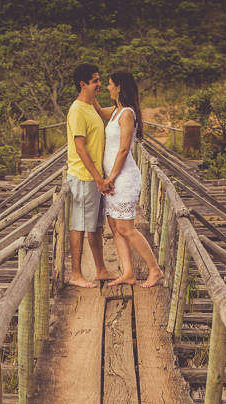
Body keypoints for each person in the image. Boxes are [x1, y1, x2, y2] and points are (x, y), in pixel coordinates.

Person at [91, 70, 164, 288]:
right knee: (114, 226)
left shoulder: (127, 114)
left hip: (123, 178)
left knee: (126, 228)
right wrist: (89, 89)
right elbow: (98, 110)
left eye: (109, 84)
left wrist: (111, 178)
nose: (107, 87)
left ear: (119, 87)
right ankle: (129, 273)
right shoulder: (116, 111)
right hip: (113, 177)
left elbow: (124, 150)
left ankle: (155, 270)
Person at [64, 63, 119, 288]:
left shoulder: (90, 106)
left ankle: (101, 269)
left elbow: (106, 110)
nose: (100, 84)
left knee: (95, 226)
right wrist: (98, 178)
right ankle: (76, 274)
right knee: (79, 225)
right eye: (95, 81)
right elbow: (80, 148)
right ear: (83, 84)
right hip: (84, 177)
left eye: (99, 80)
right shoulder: (77, 111)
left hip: (94, 177)